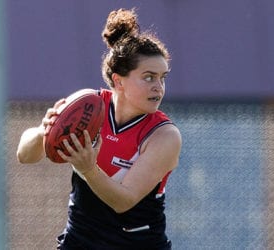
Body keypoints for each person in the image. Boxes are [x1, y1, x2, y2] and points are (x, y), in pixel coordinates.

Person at [16, 8, 182, 250]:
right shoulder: (88, 106)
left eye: (162, 78)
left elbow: (124, 201)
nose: (159, 87)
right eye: (148, 77)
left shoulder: (164, 135)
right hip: (79, 242)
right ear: (118, 80)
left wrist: (89, 169)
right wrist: (45, 130)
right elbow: (24, 155)